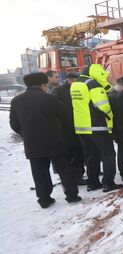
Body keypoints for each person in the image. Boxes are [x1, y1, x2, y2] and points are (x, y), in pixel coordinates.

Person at [9, 72, 80, 208]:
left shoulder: (16, 101)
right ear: (43, 84)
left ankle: (44, 199)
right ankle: (72, 195)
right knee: (63, 169)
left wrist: (26, 134)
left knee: (39, 172)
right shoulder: (49, 99)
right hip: (55, 140)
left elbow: (14, 124)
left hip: (32, 143)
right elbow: (66, 116)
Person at [71, 64, 123, 192]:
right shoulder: (93, 84)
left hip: (82, 127)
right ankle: (108, 182)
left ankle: (92, 182)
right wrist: (110, 115)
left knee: (91, 155)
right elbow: (102, 105)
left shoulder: (76, 84)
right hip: (98, 126)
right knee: (108, 154)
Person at [52, 72, 86, 185]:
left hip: (79, 124)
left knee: (79, 150)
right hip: (67, 127)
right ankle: (74, 177)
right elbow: (56, 109)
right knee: (73, 152)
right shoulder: (59, 91)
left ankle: (79, 174)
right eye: (77, 80)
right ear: (70, 80)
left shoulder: (79, 88)